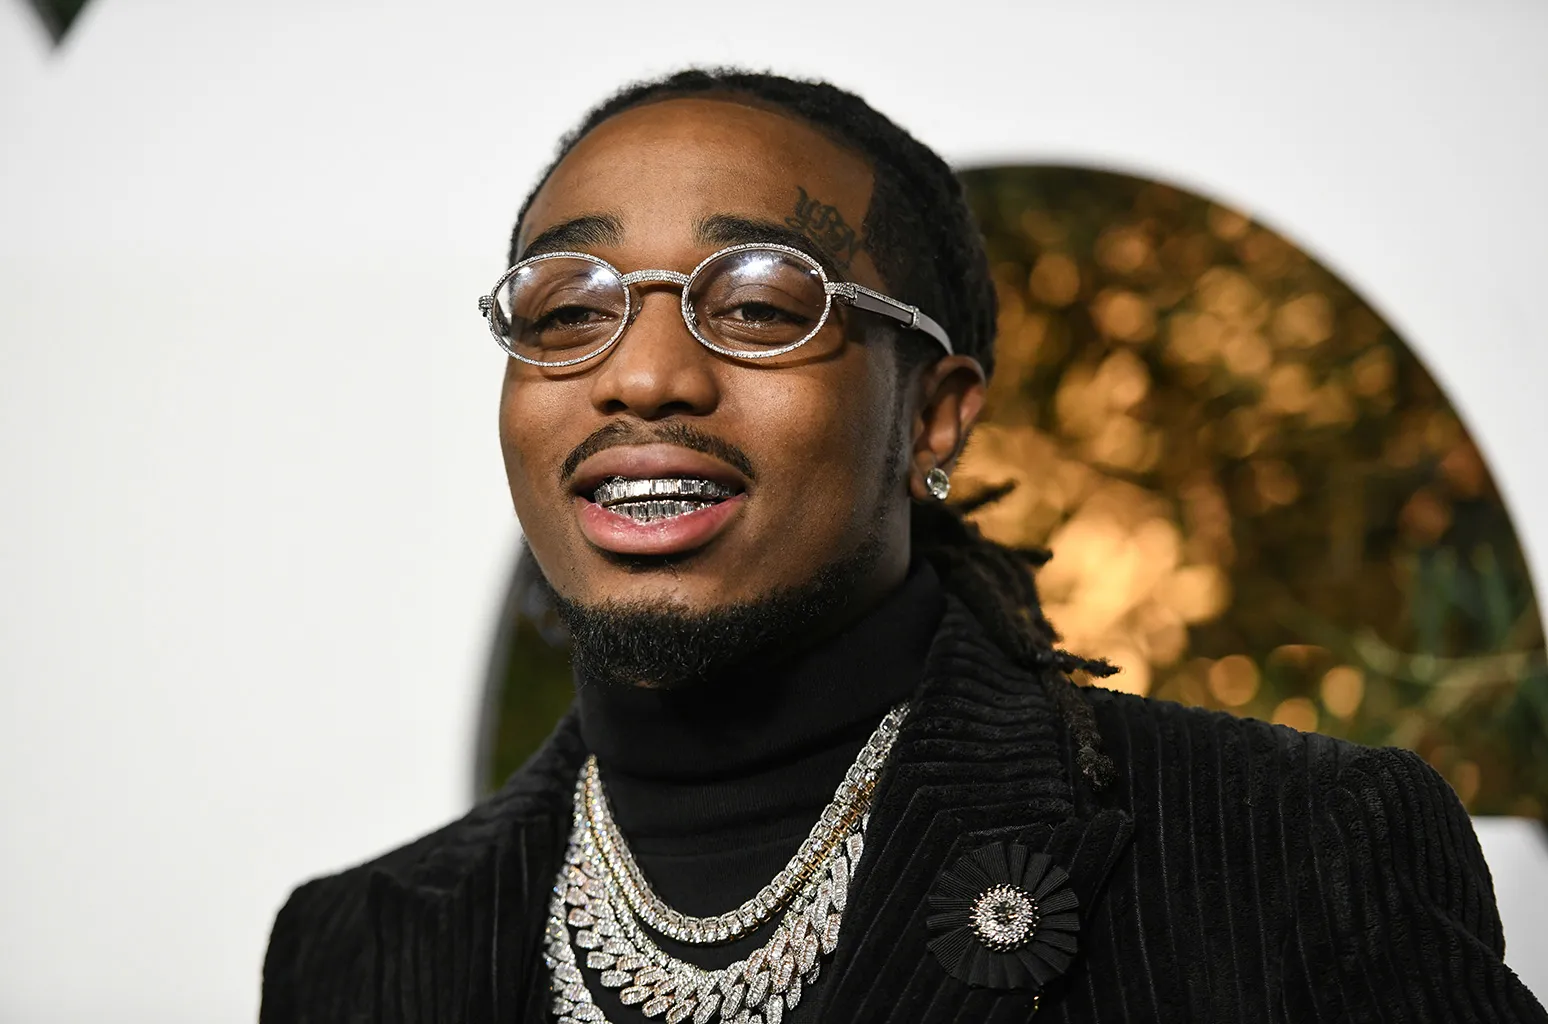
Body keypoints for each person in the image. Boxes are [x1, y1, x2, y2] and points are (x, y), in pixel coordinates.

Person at [259, 69, 1547, 1024]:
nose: (643, 375)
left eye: (754, 304)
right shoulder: (355, 949)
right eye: (566, 310)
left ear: (935, 414)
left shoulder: (1287, 854)